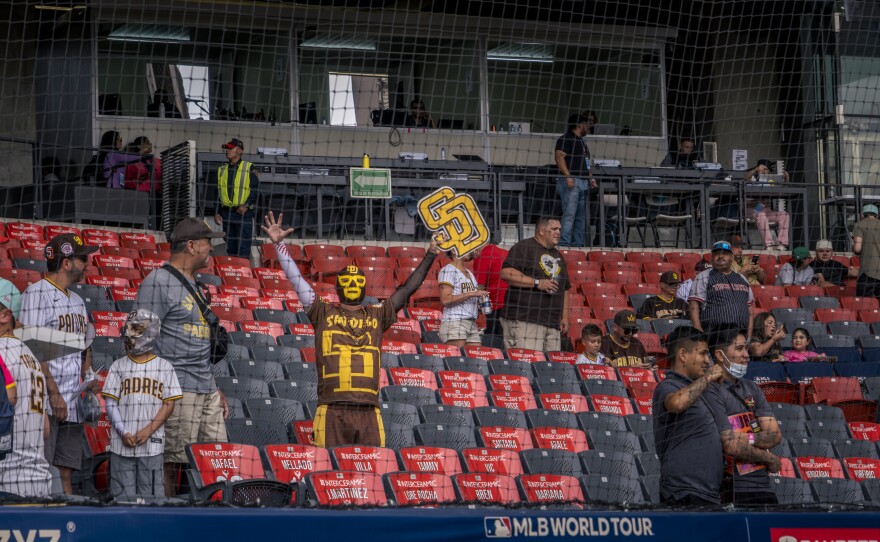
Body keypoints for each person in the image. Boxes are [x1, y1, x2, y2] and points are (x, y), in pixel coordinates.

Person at [263, 211, 440, 448]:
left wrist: (431, 254)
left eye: (358, 281)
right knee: (328, 473)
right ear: (338, 287)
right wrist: (279, 245)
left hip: (369, 410)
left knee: (372, 474)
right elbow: (297, 280)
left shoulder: (378, 314)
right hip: (331, 409)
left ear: (365, 288)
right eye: (348, 281)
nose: (353, 285)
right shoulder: (322, 311)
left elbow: (408, 289)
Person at [133, 217, 229, 497]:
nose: (211, 248)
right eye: (207, 242)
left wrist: (215, 386)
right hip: (176, 389)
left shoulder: (195, 284)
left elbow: (198, 344)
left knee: (215, 460)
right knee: (171, 462)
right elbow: (138, 342)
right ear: (191, 245)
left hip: (205, 388)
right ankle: (169, 520)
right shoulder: (157, 282)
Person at [19, 233, 98, 495]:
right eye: (82, 258)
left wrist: (88, 377)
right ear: (66, 263)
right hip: (45, 403)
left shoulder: (77, 301)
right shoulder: (36, 293)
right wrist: (52, 394)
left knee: (66, 472)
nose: (87, 264)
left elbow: (84, 346)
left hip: (72, 401)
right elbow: (32, 350)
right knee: (43, 469)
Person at [102, 309, 182, 498]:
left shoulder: (164, 366)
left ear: (150, 333)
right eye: (130, 329)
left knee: (153, 500)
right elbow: (110, 403)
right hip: (121, 445)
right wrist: (123, 431)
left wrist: (149, 430)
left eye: (136, 330)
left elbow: (169, 404)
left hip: (152, 445)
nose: (130, 335)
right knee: (122, 501)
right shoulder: (117, 366)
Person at [652, 326, 728, 505]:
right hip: (683, 491)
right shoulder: (668, 385)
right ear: (683, 355)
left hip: (707, 493)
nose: (707, 361)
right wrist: (708, 378)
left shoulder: (700, 391)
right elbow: (676, 403)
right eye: (702, 353)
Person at [709, 325, 783, 505]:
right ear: (720, 355)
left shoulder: (752, 388)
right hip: (731, 487)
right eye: (739, 348)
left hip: (763, 486)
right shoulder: (712, 390)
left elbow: (775, 435)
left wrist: (747, 438)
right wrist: (769, 457)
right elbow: (730, 446)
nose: (746, 355)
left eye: (746, 349)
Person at [0, 279, 52, 499]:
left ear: (5, 315)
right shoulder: (31, 356)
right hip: (38, 481)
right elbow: (45, 430)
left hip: (6, 484)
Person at [498, 217, 570, 352]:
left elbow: (565, 288)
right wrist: (537, 283)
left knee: (550, 370)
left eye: (560, 229)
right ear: (541, 231)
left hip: (551, 323)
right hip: (524, 319)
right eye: (554, 229)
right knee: (525, 366)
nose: (558, 232)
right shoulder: (524, 247)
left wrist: (564, 317)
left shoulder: (558, 255)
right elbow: (506, 273)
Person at [688, 241, 755, 338]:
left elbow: (750, 309)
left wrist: (749, 334)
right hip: (714, 336)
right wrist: (698, 331)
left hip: (741, 336)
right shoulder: (704, 276)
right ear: (711, 258)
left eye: (725, 254)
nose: (720, 256)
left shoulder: (742, 278)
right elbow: (693, 305)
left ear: (732, 257)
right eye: (716, 254)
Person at [213, 138, 260, 261]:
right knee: (231, 249)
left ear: (239, 151)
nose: (227, 151)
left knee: (243, 250)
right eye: (227, 148)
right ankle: (233, 275)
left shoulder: (249, 167)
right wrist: (217, 211)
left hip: (243, 214)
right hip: (226, 214)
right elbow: (218, 192)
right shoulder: (221, 170)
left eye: (230, 148)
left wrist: (246, 205)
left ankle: (243, 277)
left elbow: (255, 189)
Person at [554, 113, 597, 247]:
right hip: (571, 182)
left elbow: (586, 162)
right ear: (580, 124)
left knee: (580, 217)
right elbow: (559, 157)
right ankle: (565, 244)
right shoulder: (566, 139)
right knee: (569, 214)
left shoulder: (582, 142)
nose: (588, 127)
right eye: (586, 124)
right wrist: (568, 176)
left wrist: (591, 178)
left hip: (583, 182)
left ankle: (577, 244)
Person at [438, 250, 486, 348]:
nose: (470, 250)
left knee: (475, 360)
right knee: (457, 359)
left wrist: (481, 305)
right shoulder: (448, 270)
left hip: (472, 323)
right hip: (454, 322)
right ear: (454, 251)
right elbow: (445, 300)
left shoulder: (469, 273)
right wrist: (472, 294)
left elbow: (470, 297)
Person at [743, 159, 791, 250]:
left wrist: (786, 179)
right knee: (761, 214)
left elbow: (783, 189)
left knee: (784, 215)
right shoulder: (752, 178)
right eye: (763, 168)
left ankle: (782, 244)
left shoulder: (771, 181)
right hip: (751, 209)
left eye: (766, 169)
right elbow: (745, 178)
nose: (764, 171)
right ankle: (769, 244)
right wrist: (756, 170)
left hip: (766, 211)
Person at [472, 243, 509, 336]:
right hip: (512, 303)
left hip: (496, 306)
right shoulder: (505, 252)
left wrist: (479, 308)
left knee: (494, 341)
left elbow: (480, 288)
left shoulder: (482, 257)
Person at [852, 204, 880, 298]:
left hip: (868, 272)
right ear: (877, 215)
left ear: (862, 215)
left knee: (864, 305)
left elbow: (857, 248)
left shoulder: (860, 224)